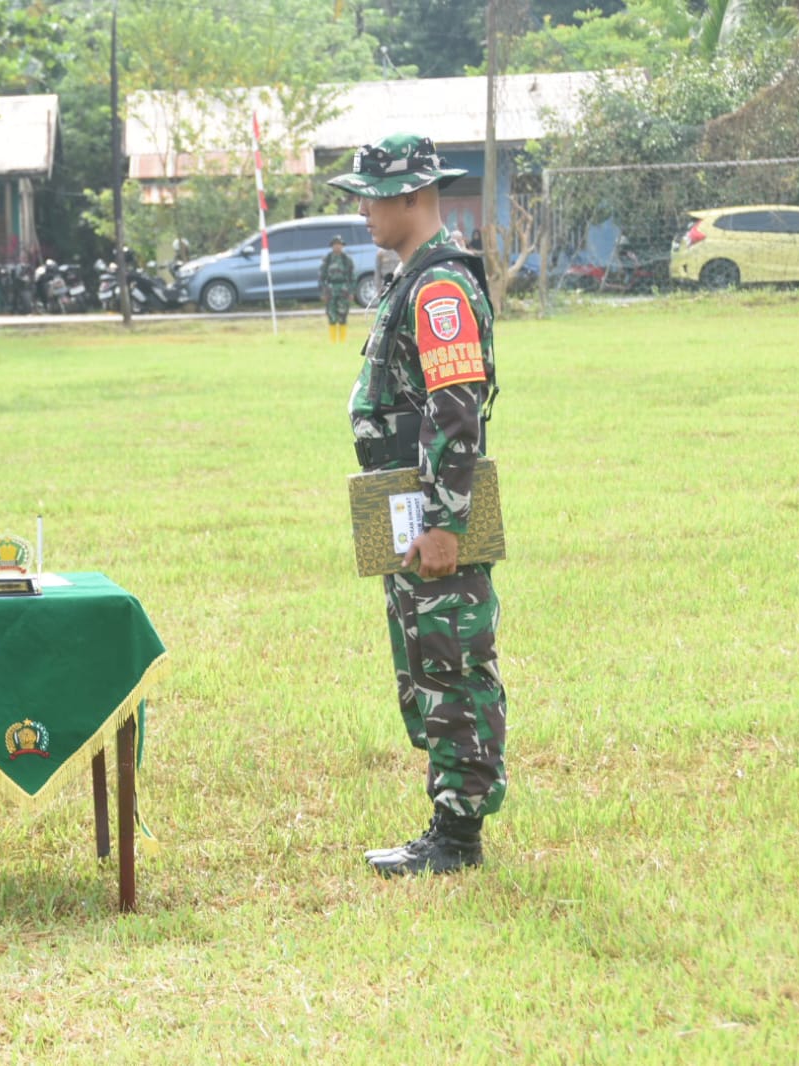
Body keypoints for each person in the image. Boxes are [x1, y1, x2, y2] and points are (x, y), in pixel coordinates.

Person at [327, 133, 507, 877]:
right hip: (397, 498)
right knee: (422, 662)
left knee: (453, 659)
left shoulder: (438, 288)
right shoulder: (410, 278)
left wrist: (443, 524)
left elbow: (455, 410)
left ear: (412, 196)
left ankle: (458, 840)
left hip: (432, 508)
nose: (362, 208)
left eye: (371, 194)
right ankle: (444, 823)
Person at [317, 235, 355, 344]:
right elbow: (321, 277)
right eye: (335, 244)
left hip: (343, 289)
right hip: (330, 289)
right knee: (331, 315)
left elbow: (352, 277)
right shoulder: (327, 259)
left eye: (339, 244)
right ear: (332, 246)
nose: (337, 247)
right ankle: (333, 341)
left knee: (343, 315)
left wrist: (351, 292)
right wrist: (323, 292)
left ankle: (342, 341)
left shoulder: (347, 260)